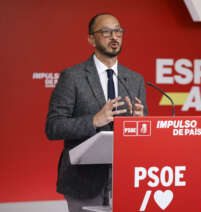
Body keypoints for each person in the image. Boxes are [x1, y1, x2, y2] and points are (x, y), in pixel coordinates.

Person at [45, 13, 148, 212]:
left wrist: (141, 122)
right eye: (106, 32)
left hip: (127, 180)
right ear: (91, 39)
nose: (114, 37)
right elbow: (53, 126)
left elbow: (142, 132)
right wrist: (93, 120)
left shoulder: (135, 80)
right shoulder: (73, 77)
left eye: (118, 31)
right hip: (84, 180)